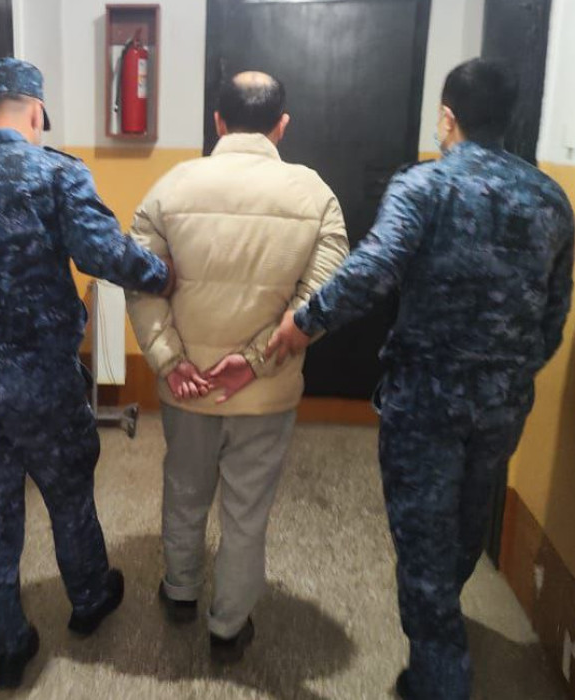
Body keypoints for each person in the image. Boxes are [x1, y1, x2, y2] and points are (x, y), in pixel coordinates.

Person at [266, 59, 575, 699]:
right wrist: (511, 371)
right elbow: (554, 314)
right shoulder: (551, 198)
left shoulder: (424, 186)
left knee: (422, 535)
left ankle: (439, 677)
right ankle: (441, 616)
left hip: (427, 398)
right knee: (466, 521)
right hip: (504, 401)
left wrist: (305, 322)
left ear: (447, 116)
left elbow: (375, 269)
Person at [0, 58, 174, 689]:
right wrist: (164, 277)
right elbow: (103, 253)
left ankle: (8, 642)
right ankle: (89, 599)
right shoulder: (56, 174)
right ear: (36, 112)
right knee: (68, 494)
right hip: (44, 380)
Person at [125, 71, 350, 663]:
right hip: (267, 389)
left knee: (184, 488)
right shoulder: (315, 195)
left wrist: (170, 361)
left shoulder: (170, 187)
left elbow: (140, 283)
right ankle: (228, 627)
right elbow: (323, 296)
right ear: (282, 126)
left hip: (187, 385)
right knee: (247, 512)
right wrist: (252, 363)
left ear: (218, 121)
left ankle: (180, 592)